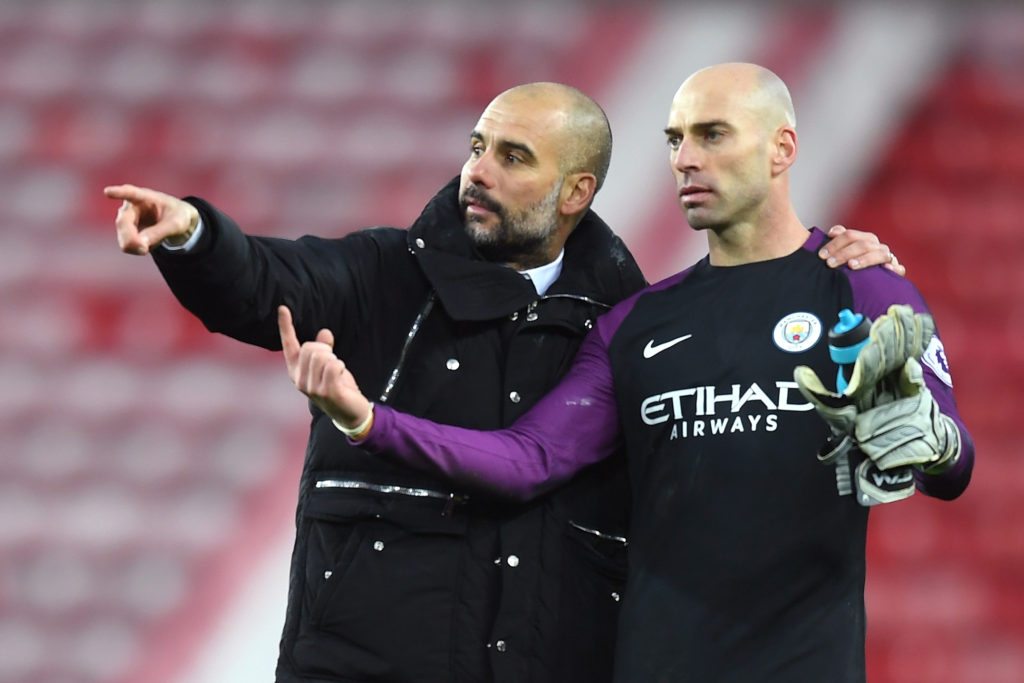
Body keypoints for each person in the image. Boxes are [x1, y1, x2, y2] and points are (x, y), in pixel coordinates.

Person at [106, 81, 901, 683]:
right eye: (478, 145)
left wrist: (843, 266)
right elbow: (266, 279)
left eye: (512, 157)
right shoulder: (384, 274)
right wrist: (195, 237)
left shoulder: (628, 321)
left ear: (576, 193)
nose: (477, 171)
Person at [282, 65, 974, 682]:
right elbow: (528, 459)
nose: (686, 159)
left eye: (712, 134)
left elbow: (952, 467)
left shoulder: (861, 288)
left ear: (781, 148)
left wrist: (930, 441)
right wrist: (368, 418)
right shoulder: (636, 322)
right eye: (675, 139)